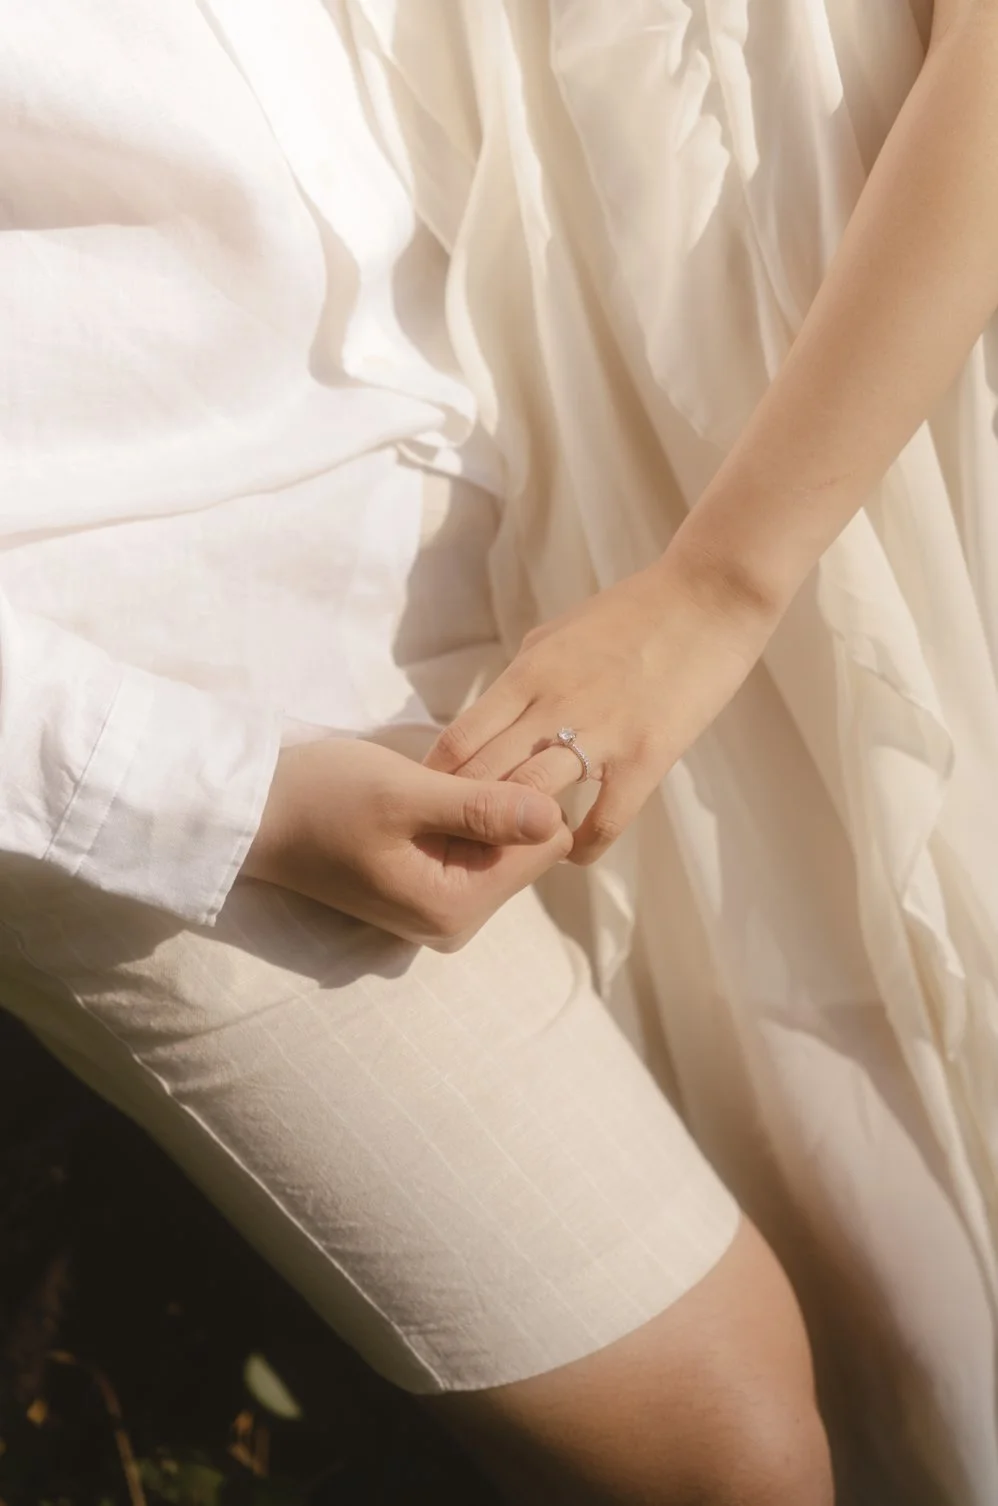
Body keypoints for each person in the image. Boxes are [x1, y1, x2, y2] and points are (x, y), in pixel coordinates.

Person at [1, 0, 996, 1501]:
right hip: (174, 674)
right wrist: (213, 795)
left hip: (584, 391)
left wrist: (714, 583)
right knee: (725, 1434)